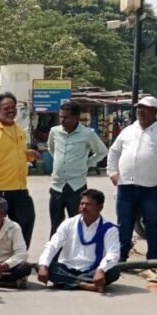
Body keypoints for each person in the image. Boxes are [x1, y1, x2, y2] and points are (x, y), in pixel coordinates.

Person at [107, 96, 157, 261]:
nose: (141, 111)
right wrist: (112, 172)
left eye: (145, 108)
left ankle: (152, 255)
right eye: (138, 108)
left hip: (152, 187)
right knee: (124, 223)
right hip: (126, 185)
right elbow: (113, 152)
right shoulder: (129, 130)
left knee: (152, 222)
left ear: (155, 111)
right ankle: (121, 256)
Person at [0, 93, 38, 247]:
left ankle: (18, 257)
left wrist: (28, 156)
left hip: (20, 188)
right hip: (0, 189)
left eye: (13, 107)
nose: (11, 111)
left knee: (26, 220)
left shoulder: (20, 131)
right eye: (6, 108)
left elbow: (13, 155)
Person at [37, 189, 121, 292]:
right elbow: (53, 245)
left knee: (114, 271)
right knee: (42, 265)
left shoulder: (110, 228)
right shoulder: (69, 223)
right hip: (67, 268)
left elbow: (113, 253)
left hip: (92, 270)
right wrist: (43, 266)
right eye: (82, 204)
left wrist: (101, 270)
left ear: (100, 207)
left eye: (88, 204)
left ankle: (64, 281)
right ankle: (84, 284)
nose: (83, 207)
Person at [47, 101, 108, 237]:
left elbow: (102, 151)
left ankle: (76, 255)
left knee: (78, 224)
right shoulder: (54, 132)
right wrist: (60, 162)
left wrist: (87, 163)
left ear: (76, 117)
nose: (62, 120)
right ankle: (55, 257)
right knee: (56, 226)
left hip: (76, 186)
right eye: (61, 117)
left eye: (66, 117)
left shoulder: (87, 134)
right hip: (57, 186)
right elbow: (51, 148)